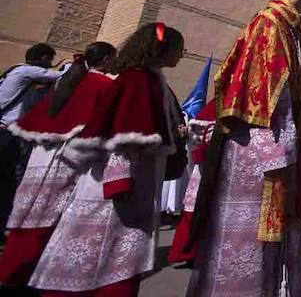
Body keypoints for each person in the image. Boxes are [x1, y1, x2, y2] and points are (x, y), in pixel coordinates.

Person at [187, 0, 301, 297]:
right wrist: (275, 147)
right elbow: (267, 91)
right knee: (247, 241)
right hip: (258, 146)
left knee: (272, 242)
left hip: (280, 146)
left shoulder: (293, 30)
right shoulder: (269, 24)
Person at [29, 23, 186, 296]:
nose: (181, 55)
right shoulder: (137, 80)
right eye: (179, 49)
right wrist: (119, 181)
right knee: (102, 258)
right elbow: (124, 134)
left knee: (118, 257)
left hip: (136, 185)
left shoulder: (148, 79)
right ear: (162, 48)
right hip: (118, 189)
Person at [0, 42, 116, 286]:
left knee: (27, 215)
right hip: (66, 158)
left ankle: (11, 271)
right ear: (106, 60)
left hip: (40, 155)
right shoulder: (104, 85)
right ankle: (27, 277)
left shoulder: (66, 80)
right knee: (49, 219)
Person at [0, 43, 64, 232]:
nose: (50, 64)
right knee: (8, 177)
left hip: (6, 130)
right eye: (49, 60)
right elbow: (61, 76)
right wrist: (70, 64)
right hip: (6, 133)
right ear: (44, 58)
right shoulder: (27, 72)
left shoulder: (15, 70)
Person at [168, 98, 217, 266]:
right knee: (196, 209)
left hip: (213, 167)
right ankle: (191, 251)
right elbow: (198, 139)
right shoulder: (215, 105)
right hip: (210, 168)